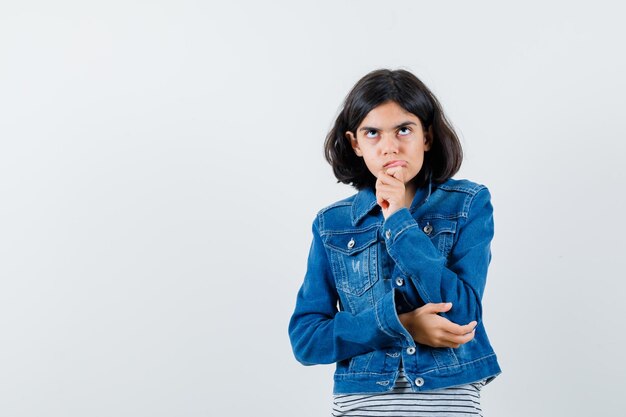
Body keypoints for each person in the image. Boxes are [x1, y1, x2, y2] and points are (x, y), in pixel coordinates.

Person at [288, 69, 501, 416]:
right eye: (372, 133)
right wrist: (401, 324)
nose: (390, 147)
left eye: (404, 129)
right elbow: (307, 339)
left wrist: (400, 221)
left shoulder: (468, 204)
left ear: (427, 137)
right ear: (355, 143)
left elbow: (464, 315)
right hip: (363, 402)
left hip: (448, 400)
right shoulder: (333, 224)